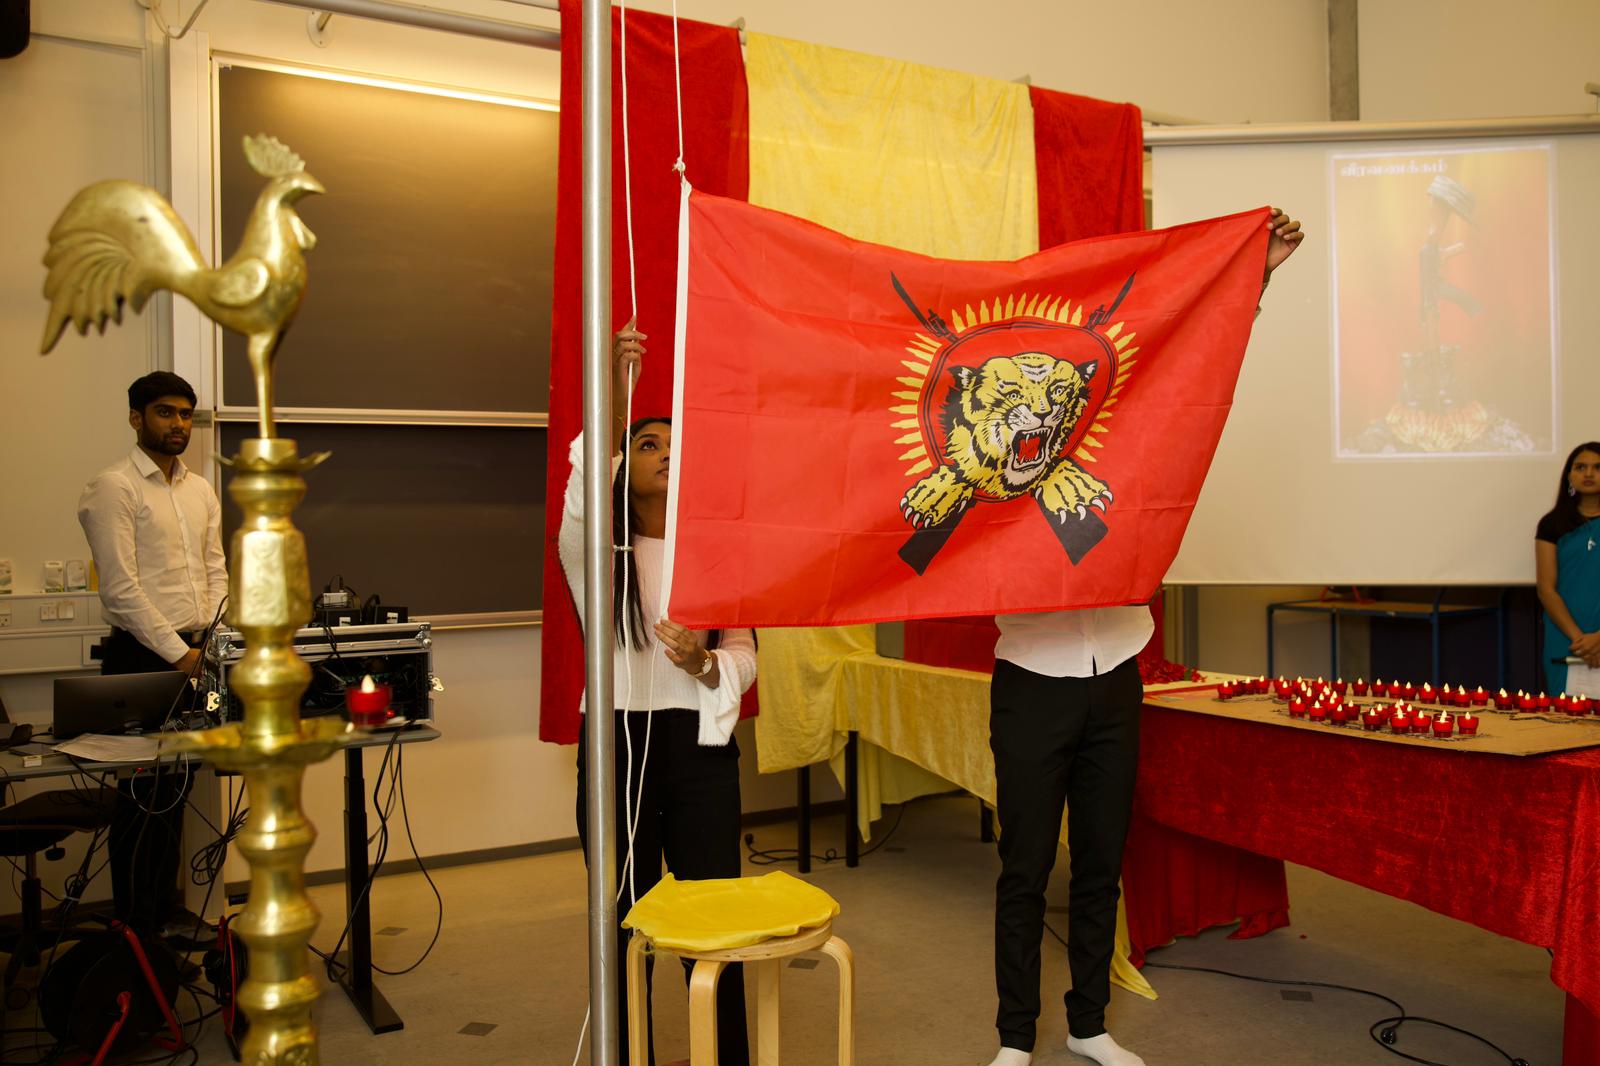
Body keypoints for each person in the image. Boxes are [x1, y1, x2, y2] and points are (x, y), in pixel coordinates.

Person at [983, 208, 1305, 1066]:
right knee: (1024, 867)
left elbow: (1188, 369)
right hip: (1031, 680)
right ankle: (1015, 1037)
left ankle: (1088, 1025)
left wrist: (1254, 278)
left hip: (1116, 671)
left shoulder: (1121, 442)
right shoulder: (996, 469)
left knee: (1101, 861)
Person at [562, 325, 758, 1066]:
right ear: (622, 465)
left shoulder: (719, 551)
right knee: (623, 919)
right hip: (616, 746)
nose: (667, 452)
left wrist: (707, 666)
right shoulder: (592, 551)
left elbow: (745, 655)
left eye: (677, 444)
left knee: (716, 922)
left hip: (700, 750)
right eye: (649, 444)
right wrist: (616, 399)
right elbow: (584, 485)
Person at [77, 371, 227, 939]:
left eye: (185, 414)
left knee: (176, 790)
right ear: (136, 418)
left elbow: (215, 569)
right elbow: (120, 589)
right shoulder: (114, 487)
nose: (178, 424)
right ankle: (134, 932)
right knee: (142, 797)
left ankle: (163, 916)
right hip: (141, 658)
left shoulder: (200, 489)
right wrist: (179, 654)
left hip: (198, 652)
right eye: (165, 412)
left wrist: (212, 640)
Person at [1535, 442, 1600, 698]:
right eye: (1580, 467)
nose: (1588, 473)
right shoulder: (1552, 524)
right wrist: (1581, 641)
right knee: (1567, 715)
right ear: (1569, 476)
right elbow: (1546, 589)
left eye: (1598, 467)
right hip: (1566, 637)